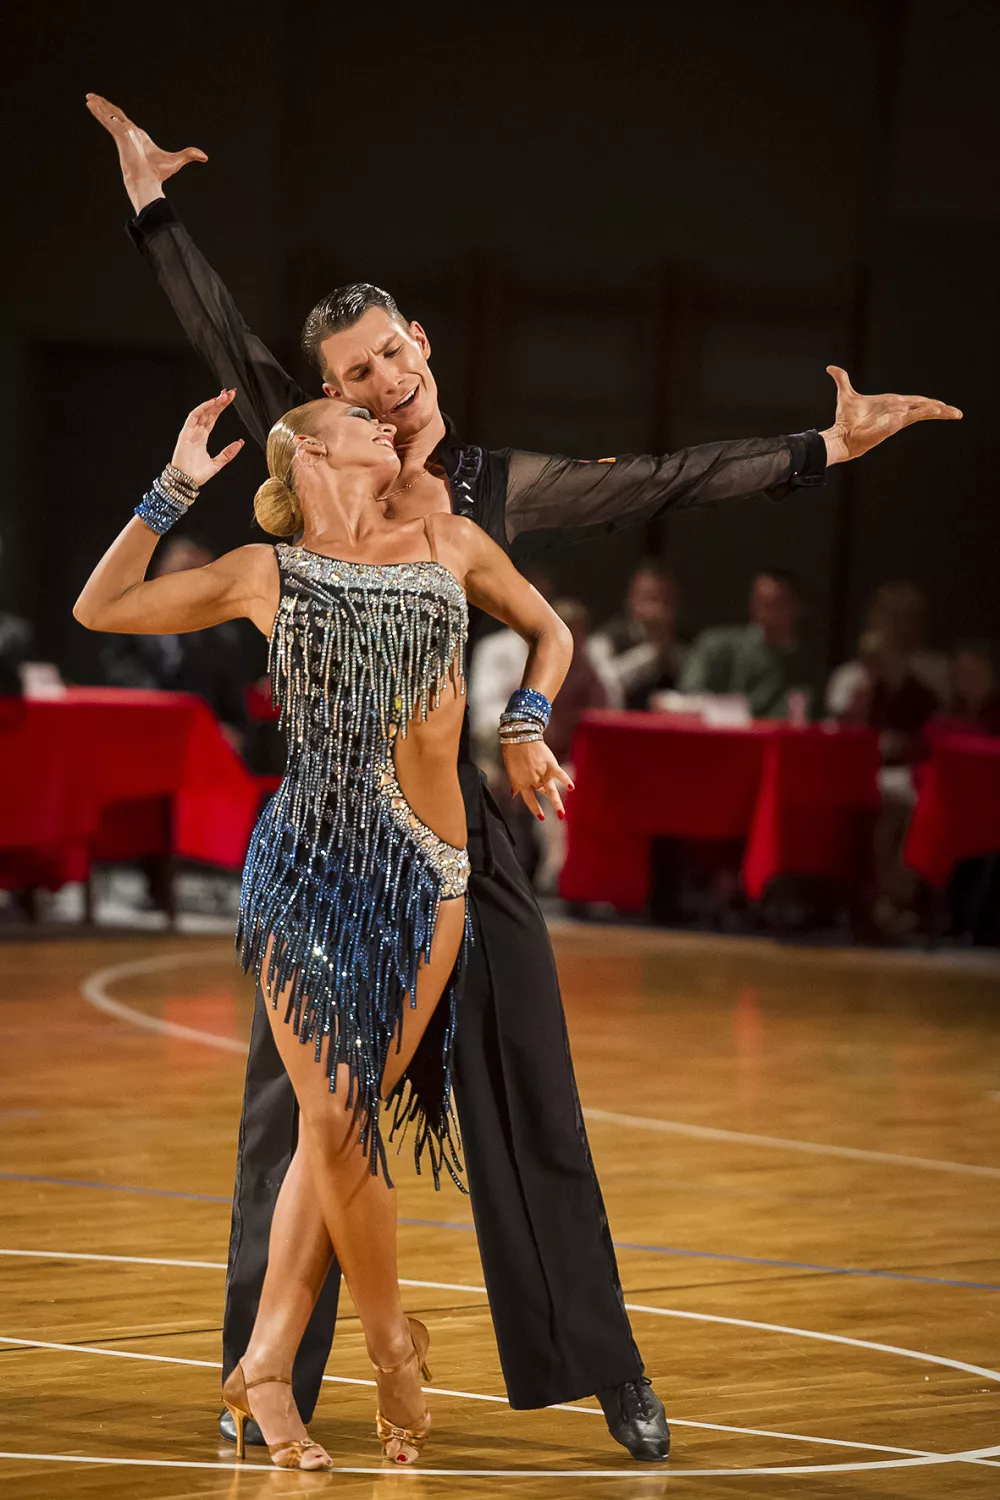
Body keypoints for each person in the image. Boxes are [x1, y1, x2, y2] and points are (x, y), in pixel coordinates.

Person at [85, 93, 961, 1463]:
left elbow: (651, 484)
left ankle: (605, 1370)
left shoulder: (482, 491)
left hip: (455, 852)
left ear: (421, 341)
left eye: (389, 357)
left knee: (531, 1102)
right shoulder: (312, 469)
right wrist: (149, 198)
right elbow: (219, 333)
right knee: (298, 1110)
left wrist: (818, 453)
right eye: (353, 378)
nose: (380, 387)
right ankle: (269, 1381)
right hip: (324, 840)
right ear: (324, 409)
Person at [74, 389, 574, 1468]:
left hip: (436, 882)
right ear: (305, 449)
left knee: (332, 1131)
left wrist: (528, 719)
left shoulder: (449, 537)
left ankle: (265, 1363)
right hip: (310, 873)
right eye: (354, 413)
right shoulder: (267, 572)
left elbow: (548, 630)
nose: (381, 417)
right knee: (340, 1121)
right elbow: (100, 607)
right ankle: (392, 1342)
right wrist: (173, 488)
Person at [100, 534, 250, 750]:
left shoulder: (222, 639)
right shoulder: (127, 625)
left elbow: (235, 714)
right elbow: (115, 675)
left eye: (197, 580)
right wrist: (169, 716)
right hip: (137, 737)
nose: (185, 587)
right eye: (179, 574)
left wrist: (231, 734)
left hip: (200, 749)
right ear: (160, 573)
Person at [679, 569, 816, 718]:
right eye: (760, 602)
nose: (764, 613)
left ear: (796, 607)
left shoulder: (806, 664)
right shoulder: (718, 647)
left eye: (775, 604)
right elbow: (690, 697)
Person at [589, 560, 686, 710]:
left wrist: (668, 650)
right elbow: (603, 686)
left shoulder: (684, 641)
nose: (658, 608)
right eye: (650, 598)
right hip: (617, 727)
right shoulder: (606, 638)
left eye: (666, 601)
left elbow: (696, 689)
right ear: (632, 600)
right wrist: (653, 652)